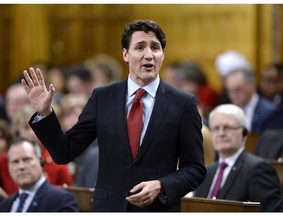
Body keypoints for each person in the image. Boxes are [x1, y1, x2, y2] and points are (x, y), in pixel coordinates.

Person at [21, 20, 206, 212]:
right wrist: (44, 113)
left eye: (155, 48)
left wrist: (161, 185)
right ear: (125, 54)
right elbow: (64, 152)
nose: (148, 55)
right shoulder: (102, 97)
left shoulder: (183, 103)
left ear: (163, 55)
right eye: (140, 47)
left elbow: (195, 169)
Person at [194, 104, 283, 212]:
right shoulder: (206, 172)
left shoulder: (258, 169)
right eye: (216, 128)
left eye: (227, 128)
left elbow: (272, 212)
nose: (221, 133)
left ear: (244, 134)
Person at [0, 137, 78, 212]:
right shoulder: (2, 206)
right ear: (9, 167)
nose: (21, 167)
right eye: (15, 162)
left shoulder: (61, 200)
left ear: (41, 161)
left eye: (26, 159)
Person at [224, 68, 283, 133]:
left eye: (237, 90)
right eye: (229, 91)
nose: (232, 96)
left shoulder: (271, 113)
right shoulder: (227, 113)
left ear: (252, 85)